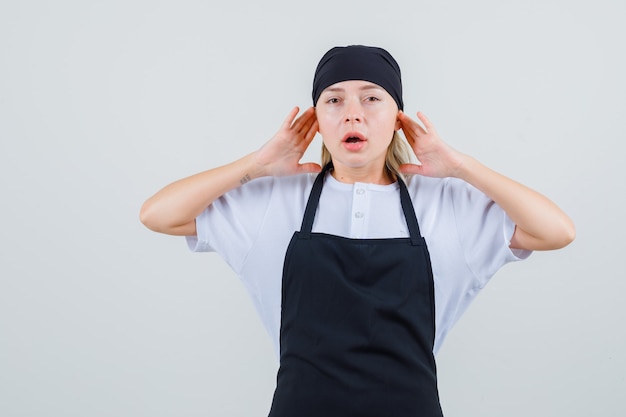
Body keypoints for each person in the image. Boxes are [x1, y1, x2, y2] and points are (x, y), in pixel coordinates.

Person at [140, 45, 575, 416]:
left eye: (371, 99)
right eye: (334, 100)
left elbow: (555, 231)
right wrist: (254, 166)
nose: (353, 114)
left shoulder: (444, 204)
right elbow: (158, 214)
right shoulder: (275, 200)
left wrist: (462, 167)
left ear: (397, 118)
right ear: (317, 119)